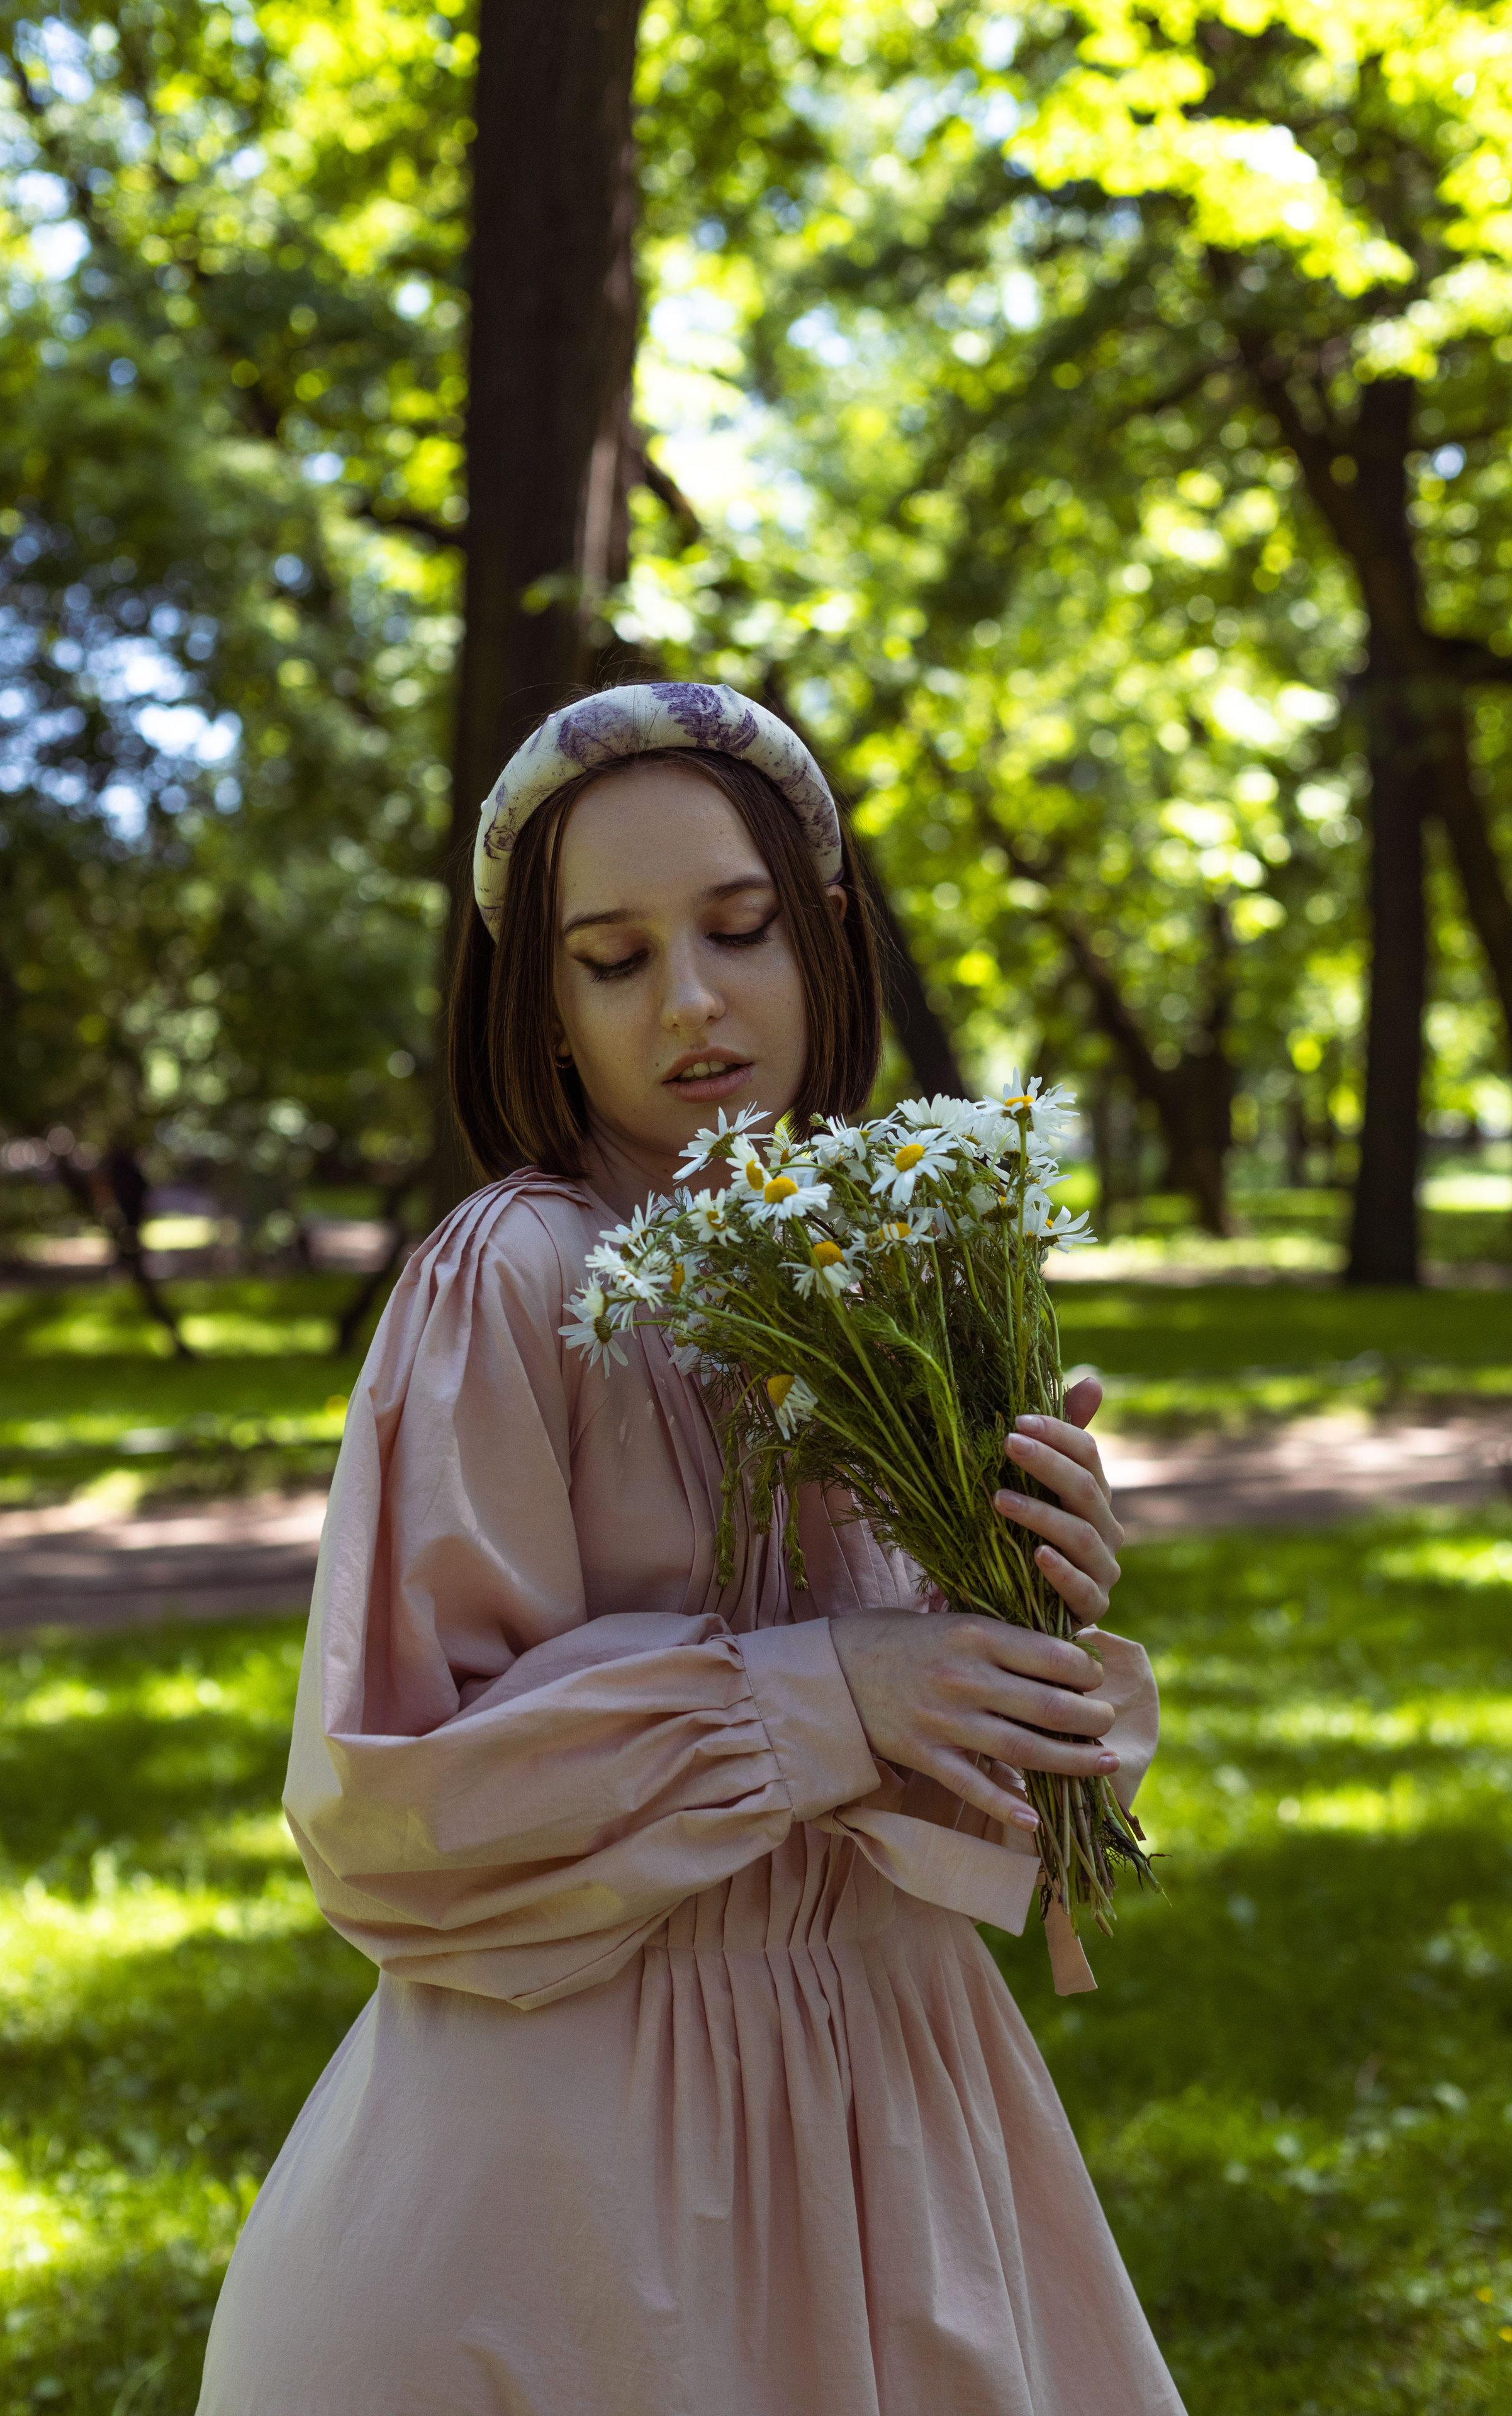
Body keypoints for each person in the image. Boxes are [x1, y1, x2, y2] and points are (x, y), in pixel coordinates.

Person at [196, 683, 1185, 2415]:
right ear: (548, 1008)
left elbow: (931, 1788)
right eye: (615, 958)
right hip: (591, 2163)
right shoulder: (511, 1281)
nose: (695, 1002)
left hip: (896, 2090)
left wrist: (1018, 1618)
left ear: (819, 938)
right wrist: (831, 1698)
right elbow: (398, 1812)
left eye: (739, 931)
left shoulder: (888, 1264)